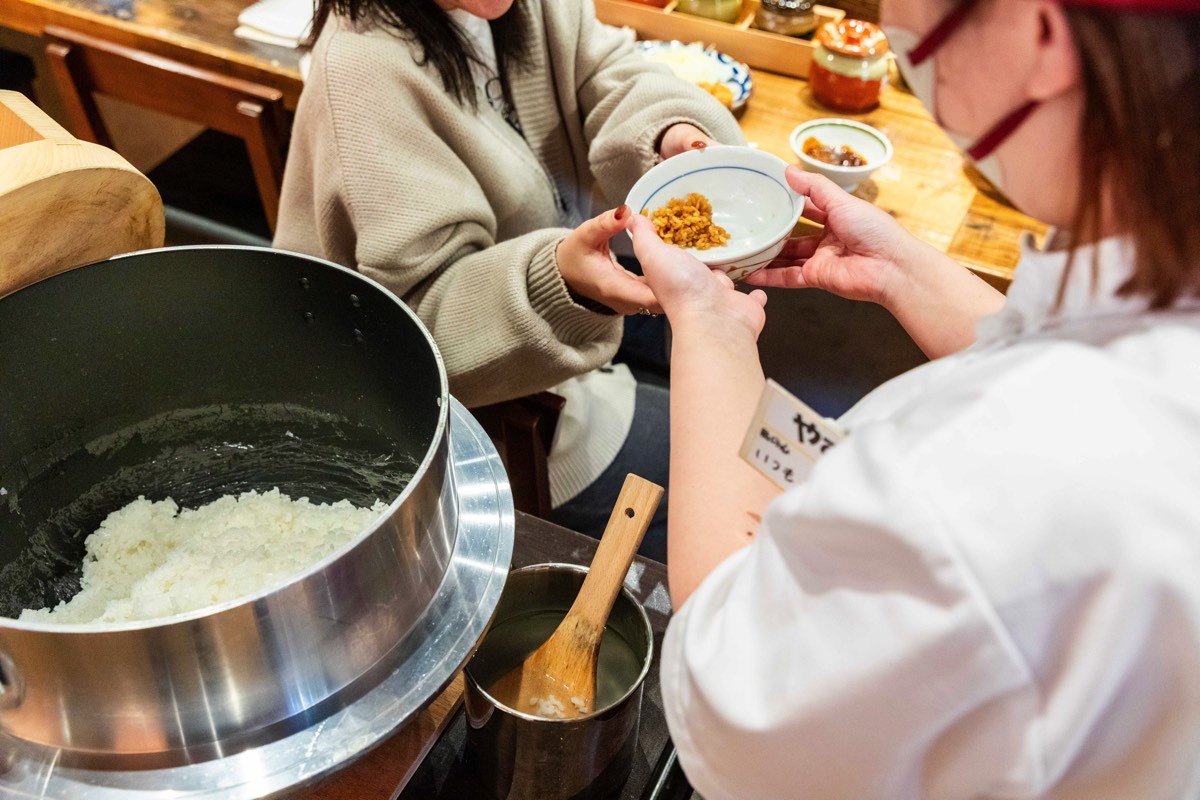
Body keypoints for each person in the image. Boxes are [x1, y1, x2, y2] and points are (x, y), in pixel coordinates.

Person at [626, 0, 1200, 796]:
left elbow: (740, 680)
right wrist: (905, 270)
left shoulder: (979, 492)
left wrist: (708, 325)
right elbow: (1078, 343)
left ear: (1038, 37)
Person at [273, 0, 744, 557]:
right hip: (497, 422)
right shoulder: (361, 71)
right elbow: (417, 334)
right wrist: (562, 283)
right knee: (737, 478)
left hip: (578, 333)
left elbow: (605, 68)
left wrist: (669, 129)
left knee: (733, 398)